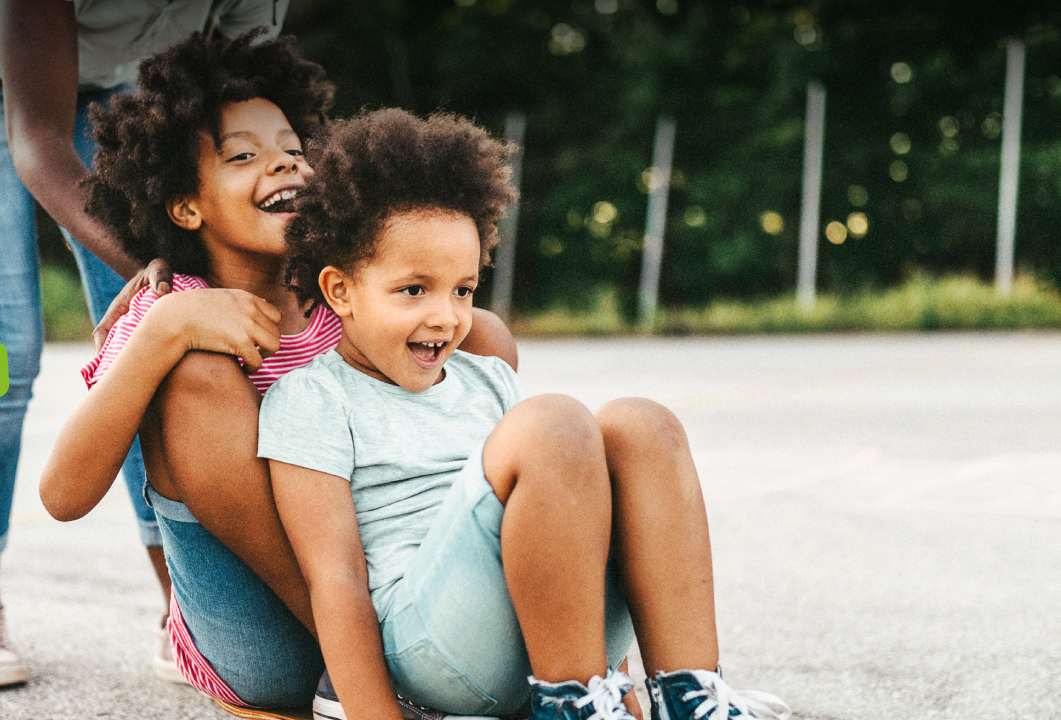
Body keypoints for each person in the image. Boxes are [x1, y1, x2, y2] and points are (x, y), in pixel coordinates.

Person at [260, 109, 793, 720]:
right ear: (340, 291)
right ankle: (574, 707)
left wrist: (619, 682)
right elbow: (336, 583)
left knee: (644, 425)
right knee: (556, 425)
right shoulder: (312, 399)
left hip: (545, 634)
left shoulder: (486, 380)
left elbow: (567, 534)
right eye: (414, 290)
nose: (446, 316)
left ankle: (690, 697)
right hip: (434, 649)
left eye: (462, 289)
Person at [38, 31, 518, 708]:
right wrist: (163, 331)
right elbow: (62, 497)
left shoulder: (342, 292)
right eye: (245, 156)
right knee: (195, 374)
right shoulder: (171, 310)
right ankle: (369, 664)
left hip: (379, 575)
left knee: (482, 338)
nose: (286, 166)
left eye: (295, 151)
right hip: (261, 626)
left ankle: (430, 628)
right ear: (185, 206)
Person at [0, 0, 283, 690]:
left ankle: (181, 607)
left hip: (120, 76)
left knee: (158, 344)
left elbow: (257, 99)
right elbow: (37, 139)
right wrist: (178, 273)